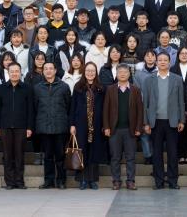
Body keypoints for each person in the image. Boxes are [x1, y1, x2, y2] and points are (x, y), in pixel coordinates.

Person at [145, 53, 186, 189]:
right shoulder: (149, 80)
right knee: (157, 154)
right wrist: (146, 122)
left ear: (169, 62)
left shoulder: (177, 79)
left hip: (172, 121)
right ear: (156, 62)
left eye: (165, 60)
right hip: (155, 121)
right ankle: (159, 181)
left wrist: (182, 120)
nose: (162, 62)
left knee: (173, 153)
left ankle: (173, 181)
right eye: (160, 60)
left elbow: (181, 101)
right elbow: (145, 103)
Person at [0, 62, 34, 190]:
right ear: (8, 73)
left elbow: (30, 109)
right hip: (5, 127)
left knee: (19, 155)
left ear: (20, 73)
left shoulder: (27, 88)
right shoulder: (1, 88)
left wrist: (29, 127)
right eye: (12, 71)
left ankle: (19, 181)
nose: (14, 74)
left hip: (21, 127)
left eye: (17, 71)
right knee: (7, 155)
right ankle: (9, 182)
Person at [104, 64, 146, 190]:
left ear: (129, 74)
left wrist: (138, 127)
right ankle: (116, 181)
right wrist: (106, 127)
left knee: (130, 157)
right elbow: (106, 110)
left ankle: (130, 181)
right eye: (120, 72)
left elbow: (140, 110)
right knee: (115, 157)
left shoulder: (135, 90)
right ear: (116, 74)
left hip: (130, 130)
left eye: (125, 72)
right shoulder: (110, 89)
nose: (122, 74)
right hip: (114, 130)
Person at [69, 62, 108, 190]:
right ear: (84, 72)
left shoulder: (101, 88)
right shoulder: (78, 87)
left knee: (94, 152)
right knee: (82, 151)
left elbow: (105, 108)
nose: (90, 73)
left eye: (92, 71)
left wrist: (104, 124)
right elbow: (73, 107)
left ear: (96, 73)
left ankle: (92, 180)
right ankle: (82, 179)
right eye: (88, 71)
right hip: (80, 125)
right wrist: (72, 124)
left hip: (96, 125)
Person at [34, 62, 72, 189]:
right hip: (44, 127)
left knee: (60, 155)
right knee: (48, 156)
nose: (48, 71)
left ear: (55, 70)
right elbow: (35, 107)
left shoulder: (64, 87)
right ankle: (48, 181)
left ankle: (61, 180)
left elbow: (68, 106)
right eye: (46, 69)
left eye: (51, 68)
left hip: (60, 127)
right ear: (43, 71)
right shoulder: (38, 88)